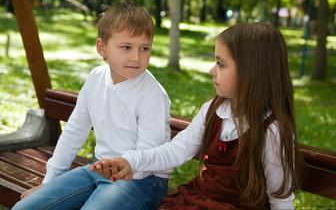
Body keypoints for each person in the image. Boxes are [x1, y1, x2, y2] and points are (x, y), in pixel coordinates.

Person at [90, 23, 303, 210]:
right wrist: (131, 160)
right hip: (198, 200)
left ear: (251, 73)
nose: (212, 70)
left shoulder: (272, 130)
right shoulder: (213, 109)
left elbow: (280, 197)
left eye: (220, 64)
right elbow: (178, 149)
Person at [12, 2, 172, 210]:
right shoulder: (96, 78)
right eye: (126, 47)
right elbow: (74, 131)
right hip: (98, 169)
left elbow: (149, 155)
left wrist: (115, 169)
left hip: (142, 179)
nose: (137, 57)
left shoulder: (152, 94)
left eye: (144, 48)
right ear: (102, 48)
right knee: (24, 208)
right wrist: (48, 182)